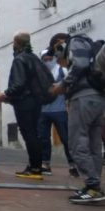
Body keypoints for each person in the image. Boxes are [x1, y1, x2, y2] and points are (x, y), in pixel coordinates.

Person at [48, 33, 105, 203]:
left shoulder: (75, 42)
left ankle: (93, 186)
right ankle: (94, 186)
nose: (59, 60)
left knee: (76, 142)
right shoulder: (89, 47)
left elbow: (79, 64)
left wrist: (62, 85)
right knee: (94, 144)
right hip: (98, 99)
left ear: (59, 43)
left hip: (83, 99)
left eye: (56, 53)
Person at [0, 32, 44, 180]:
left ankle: (35, 167)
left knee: (28, 134)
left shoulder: (19, 59)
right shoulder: (34, 58)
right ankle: (35, 165)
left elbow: (18, 84)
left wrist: (6, 94)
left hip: (24, 102)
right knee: (34, 134)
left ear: (16, 43)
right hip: (36, 101)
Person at [37, 49, 78, 177]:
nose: (48, 61)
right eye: (45, 59)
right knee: (43, 138)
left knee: (66, 138)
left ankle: (73, 165)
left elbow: (71, 86)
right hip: (43, 111)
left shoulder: (63, 71)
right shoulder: (39, 74)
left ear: (54, 58)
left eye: (50, 58)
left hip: (59, 110)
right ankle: (45, 164)